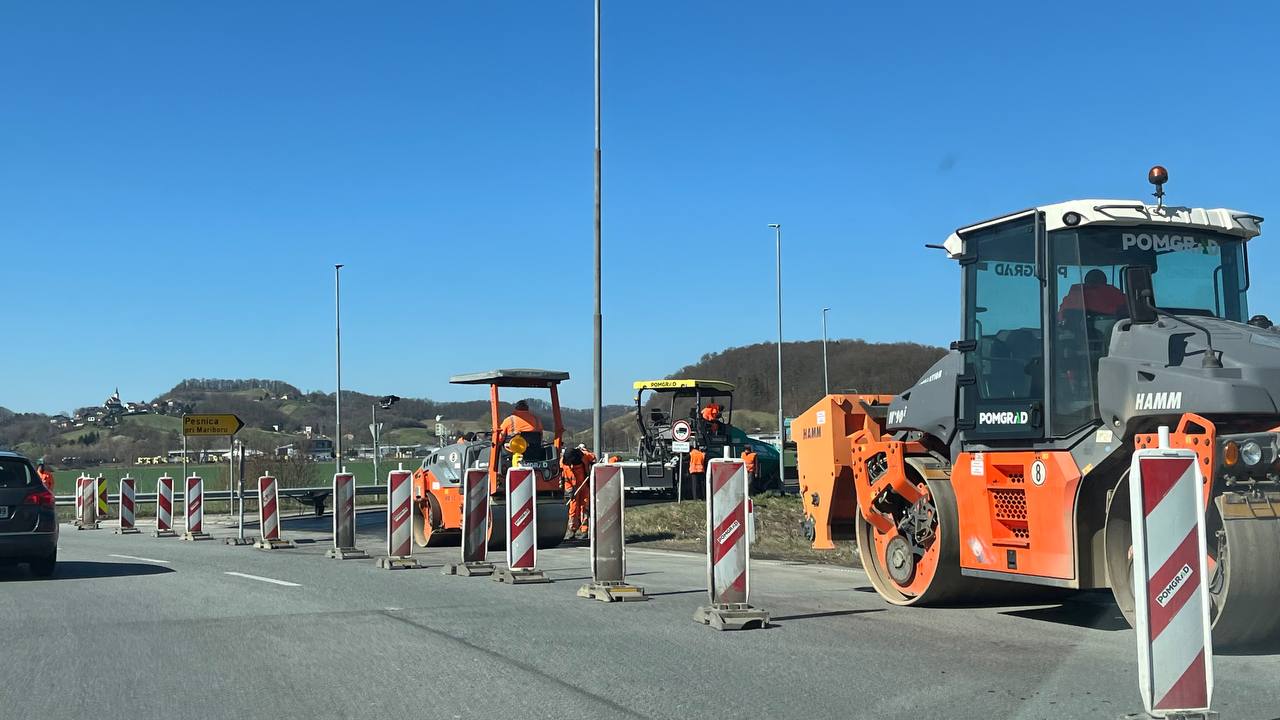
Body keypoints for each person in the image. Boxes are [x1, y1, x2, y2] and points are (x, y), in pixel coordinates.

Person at [1058, 268, 1127, 320]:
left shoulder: (1070, 299)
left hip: (1072, 335)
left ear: (1086, 282)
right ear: (1104, 282)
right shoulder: (1114, 294)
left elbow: (1060, 318)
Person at [561, 446, 590, 539]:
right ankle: (572, 530)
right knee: (573, 508)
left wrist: (592, 468)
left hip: (584, 485)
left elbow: (593, 458)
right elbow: (566, 478)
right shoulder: (564, 462)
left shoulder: (584, 457)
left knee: (584, 506)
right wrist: (569, 491)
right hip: (572, 488)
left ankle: (584, 530)